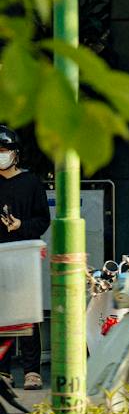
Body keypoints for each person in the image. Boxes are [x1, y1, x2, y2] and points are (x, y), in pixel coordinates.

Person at [0, 126, 48, 390]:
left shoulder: (31, 183)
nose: (1, 156)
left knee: (27, 312)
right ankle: (3, 370)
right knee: (2, 313)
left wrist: (20, 226)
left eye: (4, 151)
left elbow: (43, 219)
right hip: (0, 253)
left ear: (15, 154)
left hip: (23, 252)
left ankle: (32, 370)